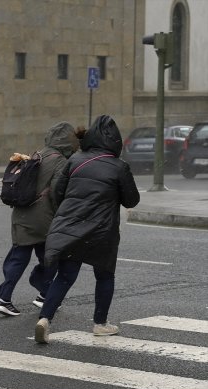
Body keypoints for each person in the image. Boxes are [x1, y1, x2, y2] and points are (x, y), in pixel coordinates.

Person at [35, 115, 140, 343]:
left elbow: (57, 193)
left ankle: (45, 319)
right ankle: (100, 323)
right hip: (102, 232)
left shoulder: (75, 160)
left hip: (71, 227)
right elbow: (131, 200)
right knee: (104, 275)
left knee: (64, 276)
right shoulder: (119, 166)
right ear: (115, 141)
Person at [0, 122, 81, 316]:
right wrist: (64, 215)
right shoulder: (60, 161)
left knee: (20, 257)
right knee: (50, 258)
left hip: (21, 213)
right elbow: (58, 192)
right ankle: (32, 295)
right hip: (42, 219)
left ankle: (22, 295)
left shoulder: (38, 154)